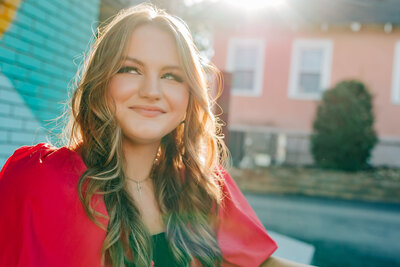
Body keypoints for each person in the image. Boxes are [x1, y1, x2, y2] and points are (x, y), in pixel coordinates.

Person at [0, 3, 309, 267]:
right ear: (101, 81)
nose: (151, 91)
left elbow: (259, 262)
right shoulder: (40, 180)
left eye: (171, 76)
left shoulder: (201, 187)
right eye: (130, 69)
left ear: (189, 96)